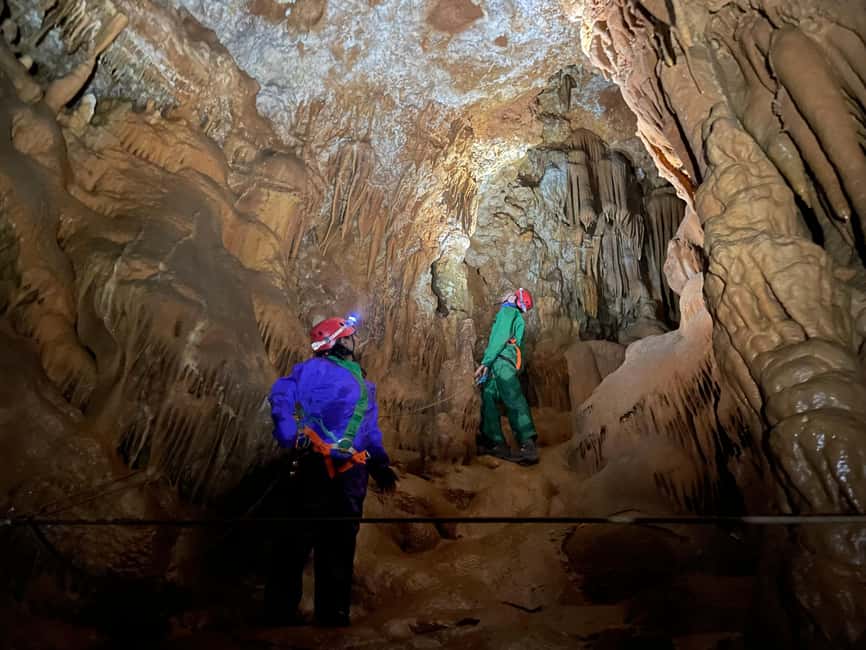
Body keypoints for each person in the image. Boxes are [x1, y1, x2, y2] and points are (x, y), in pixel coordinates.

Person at [266, 313, 397, 627]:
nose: (354, 341)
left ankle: (280, 613)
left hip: (317, 467)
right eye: (350, 336)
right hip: (347, 473)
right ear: (338, 341)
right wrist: (379, 462)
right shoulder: (356, 383)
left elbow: (281, 394)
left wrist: (288, 434)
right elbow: (369, 432)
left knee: (295, 542)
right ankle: (332, 618)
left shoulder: (317, 373)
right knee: (336, 547)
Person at [474, 288, 540, 465]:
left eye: (507, 294)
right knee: (488, 396)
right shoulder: (508, 314)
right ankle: (495, 441)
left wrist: (485, 362)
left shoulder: (508, 312)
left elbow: (500, 338)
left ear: (513, 298)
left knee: (512, 397)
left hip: (503, 361)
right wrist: (489, 365)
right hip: (497, 361)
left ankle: (528, 442)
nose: (502, 297)